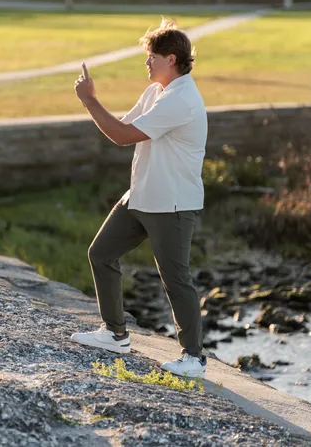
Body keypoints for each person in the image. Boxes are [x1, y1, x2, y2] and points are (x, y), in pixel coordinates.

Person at [69, 19, 208, 378]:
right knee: (100, 253)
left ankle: (194, 358)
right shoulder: (156, 92)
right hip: (142, 196)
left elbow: (122, 135)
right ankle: (115, 334)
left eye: (152, 57)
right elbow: (119, 127)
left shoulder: (182, 99)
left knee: (175, 278)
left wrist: (89, 100)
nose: (146, 63)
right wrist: (93, 105)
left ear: (172, 59)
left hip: (173, 204)